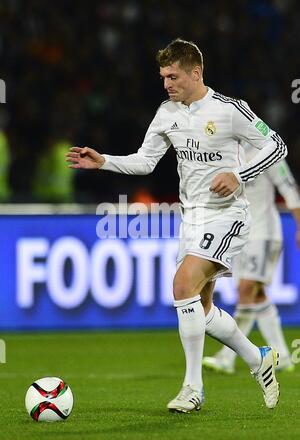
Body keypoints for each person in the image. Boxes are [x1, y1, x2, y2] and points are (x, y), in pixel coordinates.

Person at [66, 38, 287, 413]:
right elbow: (145, 162)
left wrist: (239, 173)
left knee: (181, 284)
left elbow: (276, 145)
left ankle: (192, 388)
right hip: (192, 219)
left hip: (228, 216)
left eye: (173, 76)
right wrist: (103, 161)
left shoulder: (230, 110)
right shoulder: (167, 113)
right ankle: (257, 357)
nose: (167, 84)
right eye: (163, 77)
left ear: (195, 72)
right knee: (200, 309)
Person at [203, 152, 300, 374]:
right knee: (255, 294)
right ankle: (283, 356)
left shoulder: (267, 152)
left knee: (247, 290)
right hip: (240, 234)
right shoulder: (226, 149)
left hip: (264, 234)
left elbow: (289, 188)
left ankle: (227, 357)